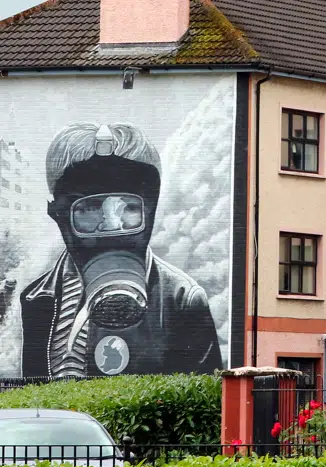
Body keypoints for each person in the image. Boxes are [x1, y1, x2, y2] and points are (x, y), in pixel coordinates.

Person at [21, 123, 222, 378]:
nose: (112, 226)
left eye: (128, 207)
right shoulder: (36, 298)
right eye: (90, 208)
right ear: (57, 215)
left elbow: (203, 396)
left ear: (152, 211)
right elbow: (32, 396)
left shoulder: (182, 300)